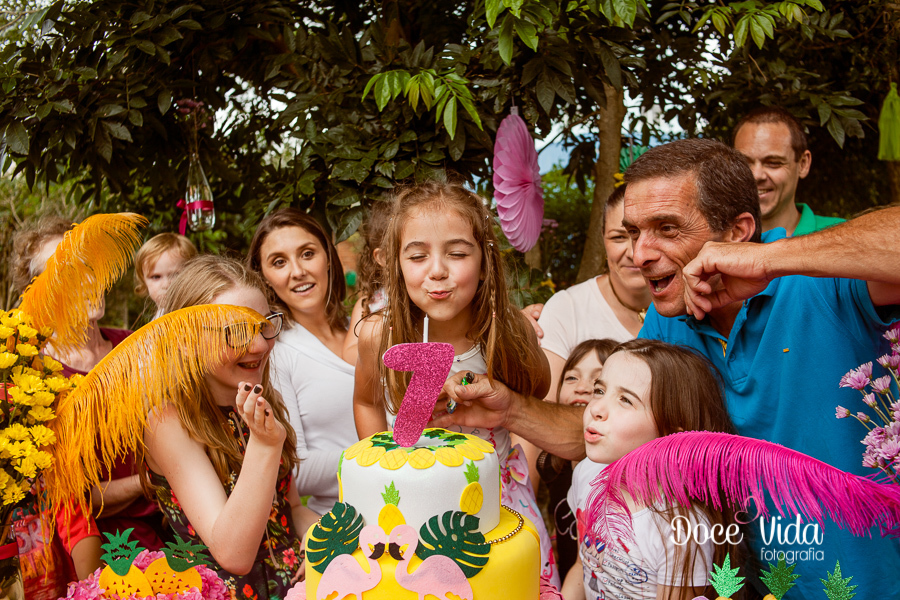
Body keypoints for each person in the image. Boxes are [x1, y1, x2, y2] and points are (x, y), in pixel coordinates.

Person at [437, 138, 900, 598]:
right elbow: (619, 432)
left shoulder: (822, 284)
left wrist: (768, 260)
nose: (640, 255)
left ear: (738, 231)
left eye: (667, 229)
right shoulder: (666, 317)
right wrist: (511, 411)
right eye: (634, 231)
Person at [352, 180, 560, 586]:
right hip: (408, 504)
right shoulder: (380, 335)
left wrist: (520, 342)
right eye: (417, 256)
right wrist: (383, 470)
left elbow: (536, 392)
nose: (437, 270)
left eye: (458, 253)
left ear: (484, 262)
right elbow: (365, 402)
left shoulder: (506, 330)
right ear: (395, 264)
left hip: (496, 506)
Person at [145, 255, 315, 599]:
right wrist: (264, 447)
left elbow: (292, 507)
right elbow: (232, 553)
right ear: (184, 338)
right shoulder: (168, 419)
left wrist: (319, 541)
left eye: (264, 324)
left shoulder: (261, 398)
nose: (259, 345)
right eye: (235, 331)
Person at [566, 339, 740, 600]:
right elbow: (583, 568)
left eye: (625, 400)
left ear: (672, 436)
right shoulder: (587, 473)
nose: (596, 409)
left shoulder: (680, 528)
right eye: (600, 391)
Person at [246, 208, 356, 516]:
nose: (297, 271)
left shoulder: (364, 328)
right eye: (279, 262)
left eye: (307, 254)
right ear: (264, 279)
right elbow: (294, 472)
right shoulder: (274, 354)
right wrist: (384, 455)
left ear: (328, 259)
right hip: (345, 523)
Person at [538, 186, 651, 401]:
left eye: (642, 235)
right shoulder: (566, 309)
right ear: (602, 239)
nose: (635, 253)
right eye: (619, 237)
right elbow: (540, 413)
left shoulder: (693, 307)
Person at [537, 339, 618, 584]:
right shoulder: (552, 462)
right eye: (571, 378)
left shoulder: (615, 473)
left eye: (597, 383)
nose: (582, 387)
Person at [732, 106, 843, 236]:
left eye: (773, 163)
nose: (756, 175)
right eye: (744, 164)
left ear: (803, 164)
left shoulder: (844, 235)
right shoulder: (712, 238)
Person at [343, 199, 392, 365]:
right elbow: (349, 353)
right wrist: (377, 345)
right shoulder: (368, 304)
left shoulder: (429, 297)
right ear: (383, 257)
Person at [133, 232, 198, 319]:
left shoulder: (197, 313)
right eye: (156, 277)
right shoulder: (157, 318)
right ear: (144, 280)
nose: (166, 285)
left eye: (175, 274)